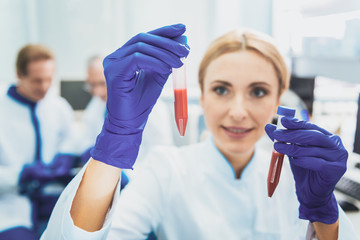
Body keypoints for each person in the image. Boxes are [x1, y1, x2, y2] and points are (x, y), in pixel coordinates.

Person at [41, 24, 358, 240]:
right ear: (202, 95)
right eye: (221, 89)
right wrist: (112, 144)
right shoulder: (166, 170)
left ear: (280, 98)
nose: (237, 111)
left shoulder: (298, 180)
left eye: (258, 92)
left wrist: (323, 211)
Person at [0, 44, 80, 239]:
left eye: (48, 80)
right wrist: (21, 175)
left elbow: (73, 139)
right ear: (19, 74)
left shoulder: (58, 106)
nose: (44, 87)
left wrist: (67, 155)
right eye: (37, 81)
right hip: (11, 206)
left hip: (54, 199)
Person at [80, 55, 175, 175]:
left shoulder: (151, 106)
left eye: (102, 83)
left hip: (141, 180)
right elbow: (86, 138)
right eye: (92, 85)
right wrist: (89, 151)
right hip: (105, 177)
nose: (97, 92)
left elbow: (161, 154)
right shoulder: (96, 104)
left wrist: (127, 176)